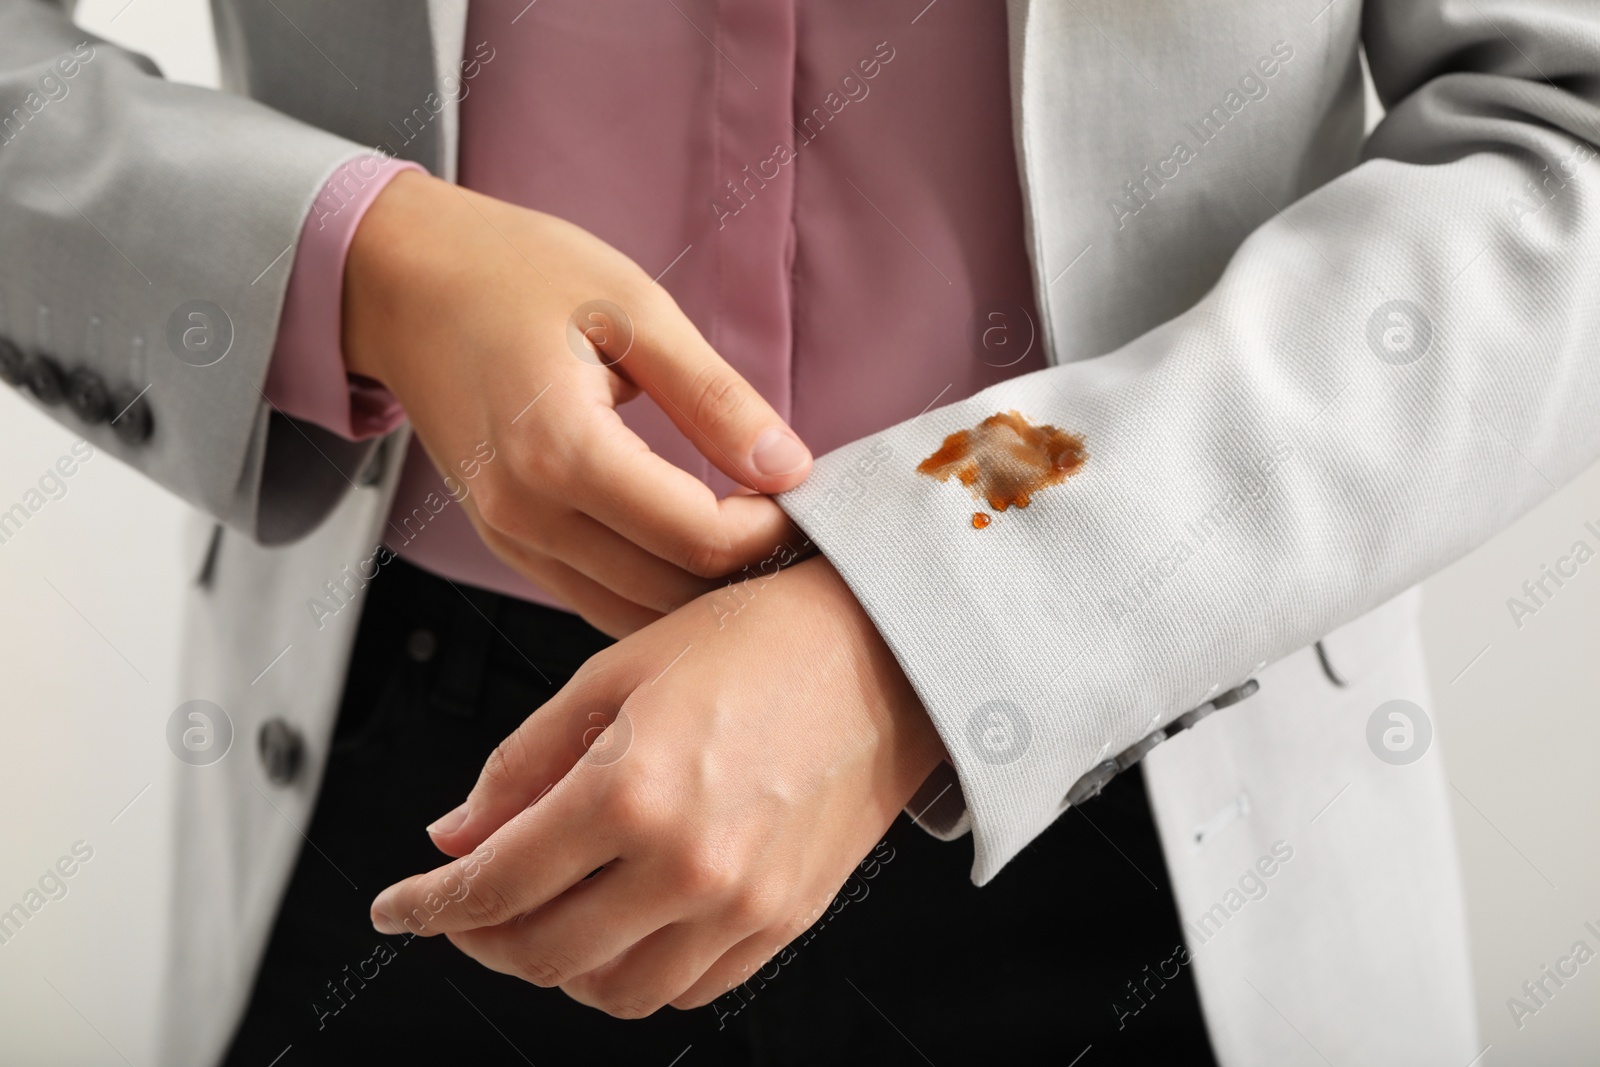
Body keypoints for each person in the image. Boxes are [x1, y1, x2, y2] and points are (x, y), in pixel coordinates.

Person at [4, 0, 1597, 1063]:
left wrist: (929, 625)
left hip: (1156, 776)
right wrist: (365, 266)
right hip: (419, 769)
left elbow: (1567, 128)